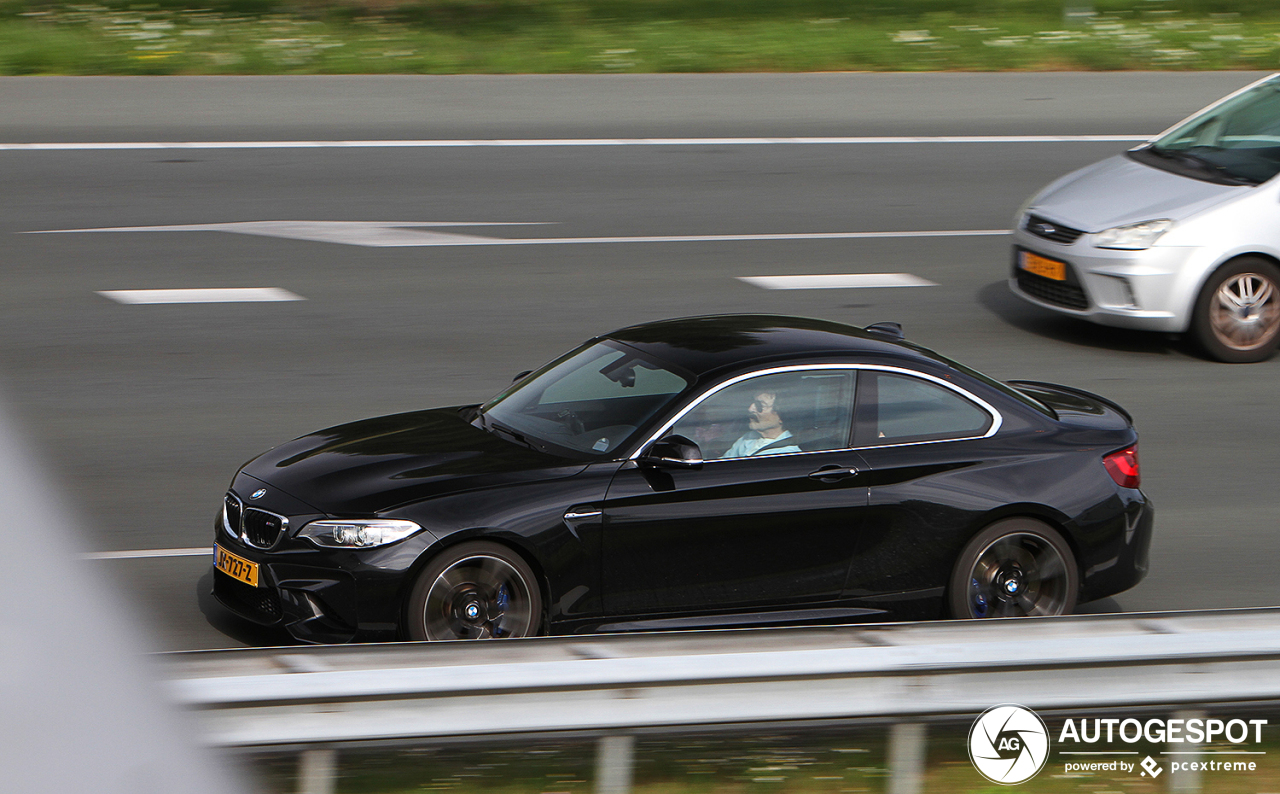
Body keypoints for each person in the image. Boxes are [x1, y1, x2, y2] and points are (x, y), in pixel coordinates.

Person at [722, 391, 802, 458]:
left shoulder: (788, 453)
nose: (750, 409)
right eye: (753, 403)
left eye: (760, 406)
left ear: (781, 416)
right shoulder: (748, 438)